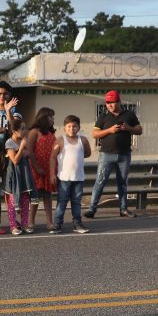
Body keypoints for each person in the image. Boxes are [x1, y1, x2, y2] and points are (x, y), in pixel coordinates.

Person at [84, 90, 142, 219]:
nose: (110, 105)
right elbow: (95, 134)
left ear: (119, 102)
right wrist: (110, 130)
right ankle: (92, 209)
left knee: (122, 183)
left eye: (112, 102)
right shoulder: (103, 116)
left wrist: (129, 128)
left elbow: (139, 130)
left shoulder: (129, 114)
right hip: (106, 154)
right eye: (108, 102)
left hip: (124, 155)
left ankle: (123, 209)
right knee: (100, 181)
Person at [49, 115, 92, 234]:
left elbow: (87, 153)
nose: (71, 129)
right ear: (64, 128)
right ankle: (57, 223)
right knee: (62, 201)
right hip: (64, 178)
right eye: (69, 126)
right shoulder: (60, 140)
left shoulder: (83, 140)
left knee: (76, 201)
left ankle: (77, 223)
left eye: (74, 126)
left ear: (78, 127)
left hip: (78, 177)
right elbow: (52, 158)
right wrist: (52, 174)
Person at [4, 120, 38, 235]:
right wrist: (22, 147)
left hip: (24, 174)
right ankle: (13, 225)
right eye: (22, 128)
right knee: (13, 201)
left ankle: (24, 224)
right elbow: (15, 160)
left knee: (25, 200)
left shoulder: (24, 140)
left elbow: (28, 154)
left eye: (25, 128)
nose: (25, 131)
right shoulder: (9, 142)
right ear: (14, 131)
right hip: (14, 176)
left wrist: (24, 149)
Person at [26, 108, 57, 231]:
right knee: (35, 197)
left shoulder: (51, 133)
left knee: (48, 196)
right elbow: (29, 151)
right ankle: (31, 221)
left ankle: (49, 222)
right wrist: (37, 168)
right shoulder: (34, 132)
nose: (53, 119)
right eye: (51, 117)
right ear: (44, 118)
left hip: (48, 170)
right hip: (36, 170)